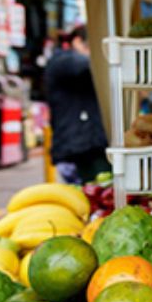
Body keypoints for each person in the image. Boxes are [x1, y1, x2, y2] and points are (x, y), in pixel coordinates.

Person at [44, 25, 110, 184]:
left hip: (92, 145)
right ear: (77, 41)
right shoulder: (63, 60)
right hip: (79, 149)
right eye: (89, 47)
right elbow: (83, 65)